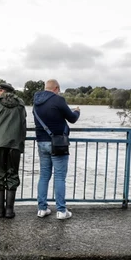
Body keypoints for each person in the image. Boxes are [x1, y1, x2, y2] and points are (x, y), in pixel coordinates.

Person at [33, 79, 80, 220]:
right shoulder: (58, 100)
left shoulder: (36, 101)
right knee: (59, 177)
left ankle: (42, 209)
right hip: (58, 143)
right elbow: (72, 119)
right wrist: (77, 111)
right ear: (56, 88)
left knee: (44, 176)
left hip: (41, 142)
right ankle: (61, 211)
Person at [0, 82, 27, 218]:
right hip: (15, 144)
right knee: (12, 174)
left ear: (1, 91)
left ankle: (0, 211)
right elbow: (23, 123)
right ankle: (9, 210)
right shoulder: (21, 102)